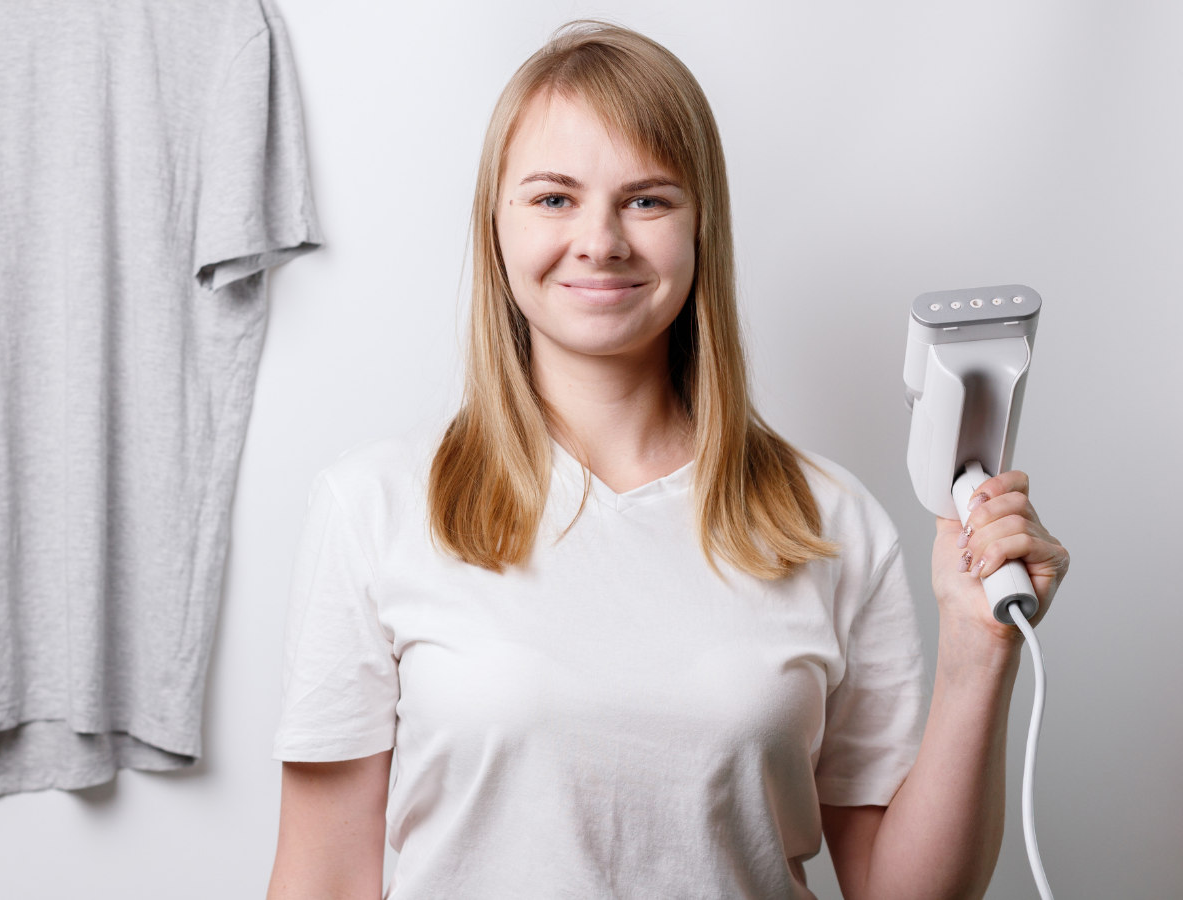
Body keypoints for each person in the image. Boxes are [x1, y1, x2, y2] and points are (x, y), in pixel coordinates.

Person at [266, 19, 1070, 900]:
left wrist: (975, 646)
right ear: (494, 226)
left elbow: (906, 895)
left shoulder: (831, 524)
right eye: (553, 198)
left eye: (647, 199)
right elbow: (324, 878)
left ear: (701, 229)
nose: (601, 240)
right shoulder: (375, 507)